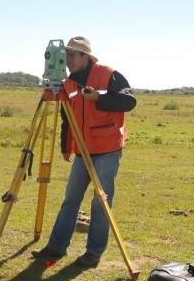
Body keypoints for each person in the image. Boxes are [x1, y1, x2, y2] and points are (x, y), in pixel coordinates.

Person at [31, 36, 136, 268]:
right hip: (82, 149)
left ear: (85, 57)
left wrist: (99, 98)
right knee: (71, 199)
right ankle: (56, 247)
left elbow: (129, 102)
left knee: (101, 202)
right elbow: (67, 116)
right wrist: (65, 146)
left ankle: (94, 252)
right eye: (65, 56)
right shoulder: (68, 83)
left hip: (107, 149)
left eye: (71, 56)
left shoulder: (109, 74)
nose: (67, 61)